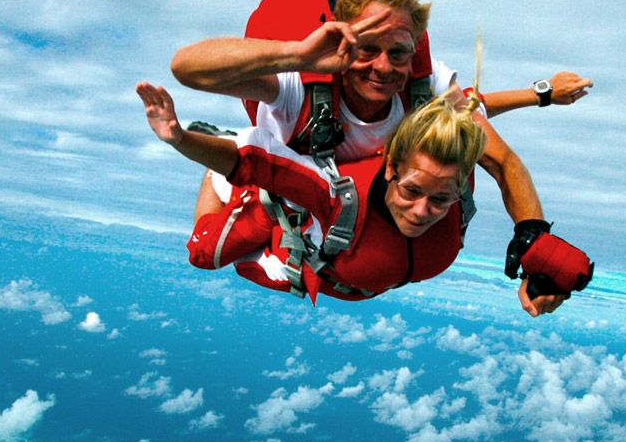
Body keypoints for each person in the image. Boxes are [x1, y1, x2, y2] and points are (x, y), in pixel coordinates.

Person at [170, 0, 591, 316]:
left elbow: (489, 148)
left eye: (398, 53)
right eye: (366, 49)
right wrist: (297, 55)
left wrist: (532, 236)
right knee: (207, 254)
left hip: (359, 213)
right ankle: (220, 158)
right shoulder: (298, 88)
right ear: (341, 41)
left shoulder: (426, 90)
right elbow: (188, 70)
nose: (383, 67)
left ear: (414, 53)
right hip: (276, 181)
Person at [137, 83, 592, 306]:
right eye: (412, 191)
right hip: (287, 231)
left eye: (441, 200)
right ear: (391, 167)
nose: (422, 211)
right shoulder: (338, 195)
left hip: (362, 280)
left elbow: (475, 113)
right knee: (204, 253)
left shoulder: (452, 163)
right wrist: (180, 138)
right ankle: (219, 174)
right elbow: (251, 162)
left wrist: (543, 94)